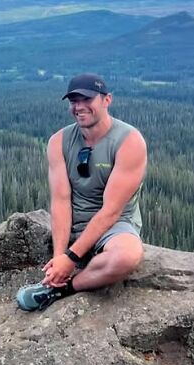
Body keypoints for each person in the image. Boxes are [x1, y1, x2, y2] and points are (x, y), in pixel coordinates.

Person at [16, 73, 147, 311]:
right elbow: (61, 200)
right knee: (66, 254)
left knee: (127, 256)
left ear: (107, 100)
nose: (79, 107)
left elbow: (111, 211)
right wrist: (59, 258)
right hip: (75, 221)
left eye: (87, 99)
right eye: (73, 101)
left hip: (115, 225)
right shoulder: (59, 141)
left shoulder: (130, 141)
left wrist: (72, 259)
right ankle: (57, 280)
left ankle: (64, 289)